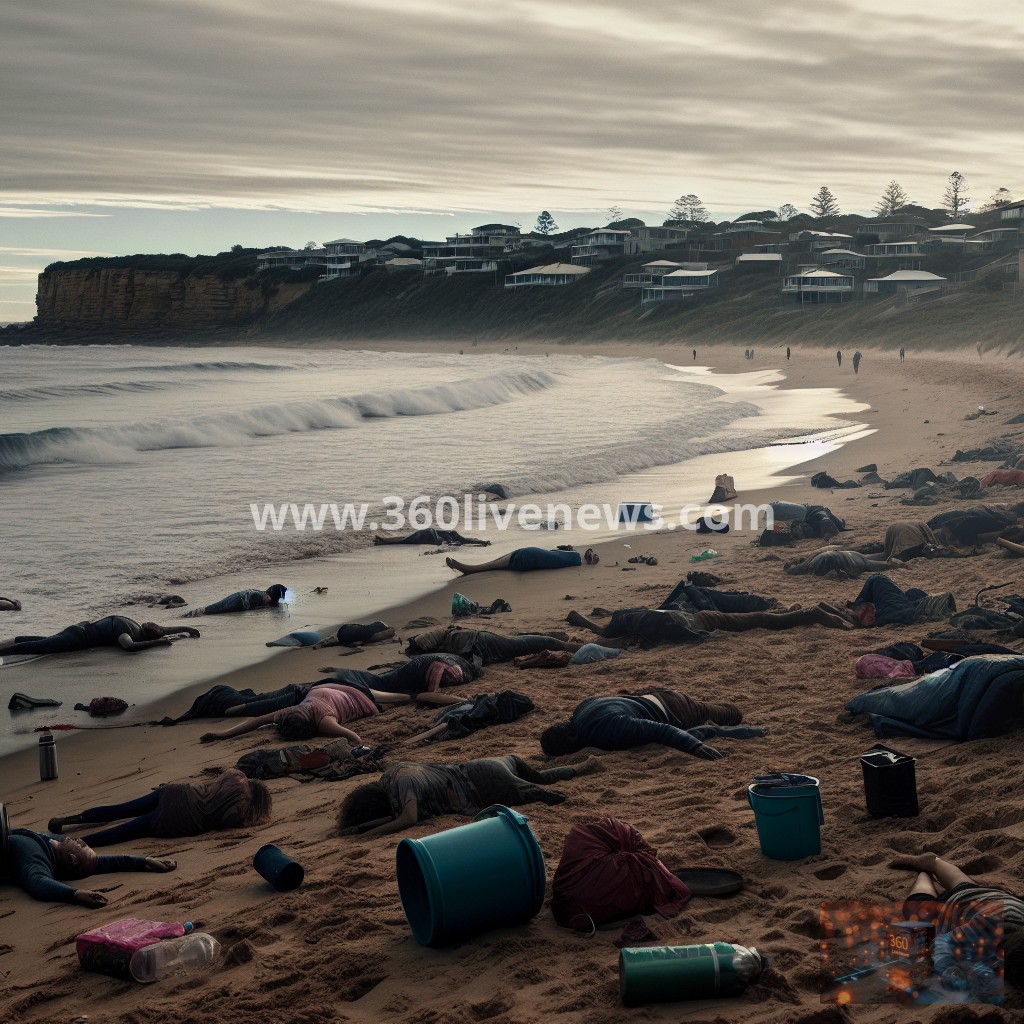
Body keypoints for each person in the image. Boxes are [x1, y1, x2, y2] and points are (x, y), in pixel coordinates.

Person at [338, 754, 602, 837]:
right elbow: (395, 814)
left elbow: (407, 818)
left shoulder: (404, 786)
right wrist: (361, 826)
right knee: (539, 778)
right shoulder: (392, 776)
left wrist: (366, 834)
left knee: (545, 796)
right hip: (484, 767)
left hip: (483, 785)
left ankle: (584, 788)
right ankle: (583, 767)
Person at [890, 851, 1024, 995]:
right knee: (919, 907)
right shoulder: (985, 930)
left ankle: (936, 863)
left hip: (999, 900)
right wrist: (946, 969)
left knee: (964, 885)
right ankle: (925, 875)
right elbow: (941, 943)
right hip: (957, 907)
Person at [47, 768, 272, 846]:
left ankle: (71, 820)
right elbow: (222, 823)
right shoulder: (241, 813)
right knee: (125, 832)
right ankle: (72, 843)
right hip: (181, 821)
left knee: (122, 809)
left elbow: (217, 779)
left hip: (177, 792)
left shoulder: (236, 776)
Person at [198, 682, 462, 744]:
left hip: (362, 698)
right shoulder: (298, 711)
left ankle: (423, 696)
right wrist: (221, 735)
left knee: (403, 698)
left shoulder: (323, 721)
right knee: (400, 695)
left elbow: (353, 737)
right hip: (330, 686)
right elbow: (256, 722)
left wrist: (222, 735)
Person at [540, 689, 766, 760]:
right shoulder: (580, 710)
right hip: (653, 696)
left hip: (674, 710)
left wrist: (694, 746)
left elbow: (661, 729)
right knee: (712, 708)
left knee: (730, 714)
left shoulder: (608, 728)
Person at [6, 830, 175, 907]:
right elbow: (107, 863)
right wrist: (144, 861)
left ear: (71, 858)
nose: (77, 840)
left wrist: (75, 894)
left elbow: (39, 882)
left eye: (80, 845)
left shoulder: (35, 857)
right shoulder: (54, 846)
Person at [565, 602, 853, 644]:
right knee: (765, 620)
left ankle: (816, 613)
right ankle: (820, 612)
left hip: (705, 623)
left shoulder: (646, 626)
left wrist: (711, 639)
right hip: (702, 615)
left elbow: (685, 634)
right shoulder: (638, 615)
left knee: (769, 621)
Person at [0, 616, 200, 655]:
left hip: (79, 629)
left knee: (44, 641)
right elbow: (129, 647)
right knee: (41, 647)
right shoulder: (127, 632)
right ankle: (4, 651)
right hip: (79, 639)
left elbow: (164, 629)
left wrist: (187, 629)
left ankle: (7, 642)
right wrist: (157, 643)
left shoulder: (135, 624)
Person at [406, 625, 581, 664]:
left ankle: (579, 648)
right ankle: (574, 646)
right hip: (484, 639)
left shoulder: (448, 641)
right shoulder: (450, 635)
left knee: (536, 642)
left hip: (484, 642)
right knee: (528, 642)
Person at [445, 546, 596, 575]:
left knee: (491, 565)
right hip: (528, 560)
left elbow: (589, 554)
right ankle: (466, 568)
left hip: (529, 555)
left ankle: (466, 568)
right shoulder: (573, 560)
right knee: (493, 566)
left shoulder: (575, 557)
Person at [182, 584, 288, 617]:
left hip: (242, 597)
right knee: (214, 609)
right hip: (238, 600)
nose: (267, 600)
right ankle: (194, 613)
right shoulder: (258, 596)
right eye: (268, 598)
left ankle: (195, 613)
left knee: (213, 609)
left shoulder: (267, 596)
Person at [783, 550, 900, 578]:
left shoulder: (808, 562)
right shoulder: (863, 560)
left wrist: (789, 566)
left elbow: (789, 568)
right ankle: (835, 572)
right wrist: (891, 564)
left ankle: (834, 572)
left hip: (816, 561)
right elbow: (883, 564)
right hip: (839, 562)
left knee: (802, 569)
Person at [373, 529, 490, 547]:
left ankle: (384, 541)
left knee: (406, 538)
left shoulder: (453, 536)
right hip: (430, 535)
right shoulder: (455, 537)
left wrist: (480, 542)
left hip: (429, 532)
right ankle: (383, 541)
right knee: (406, 540)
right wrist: (481, 542)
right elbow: (466, 540)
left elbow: (467, 540)